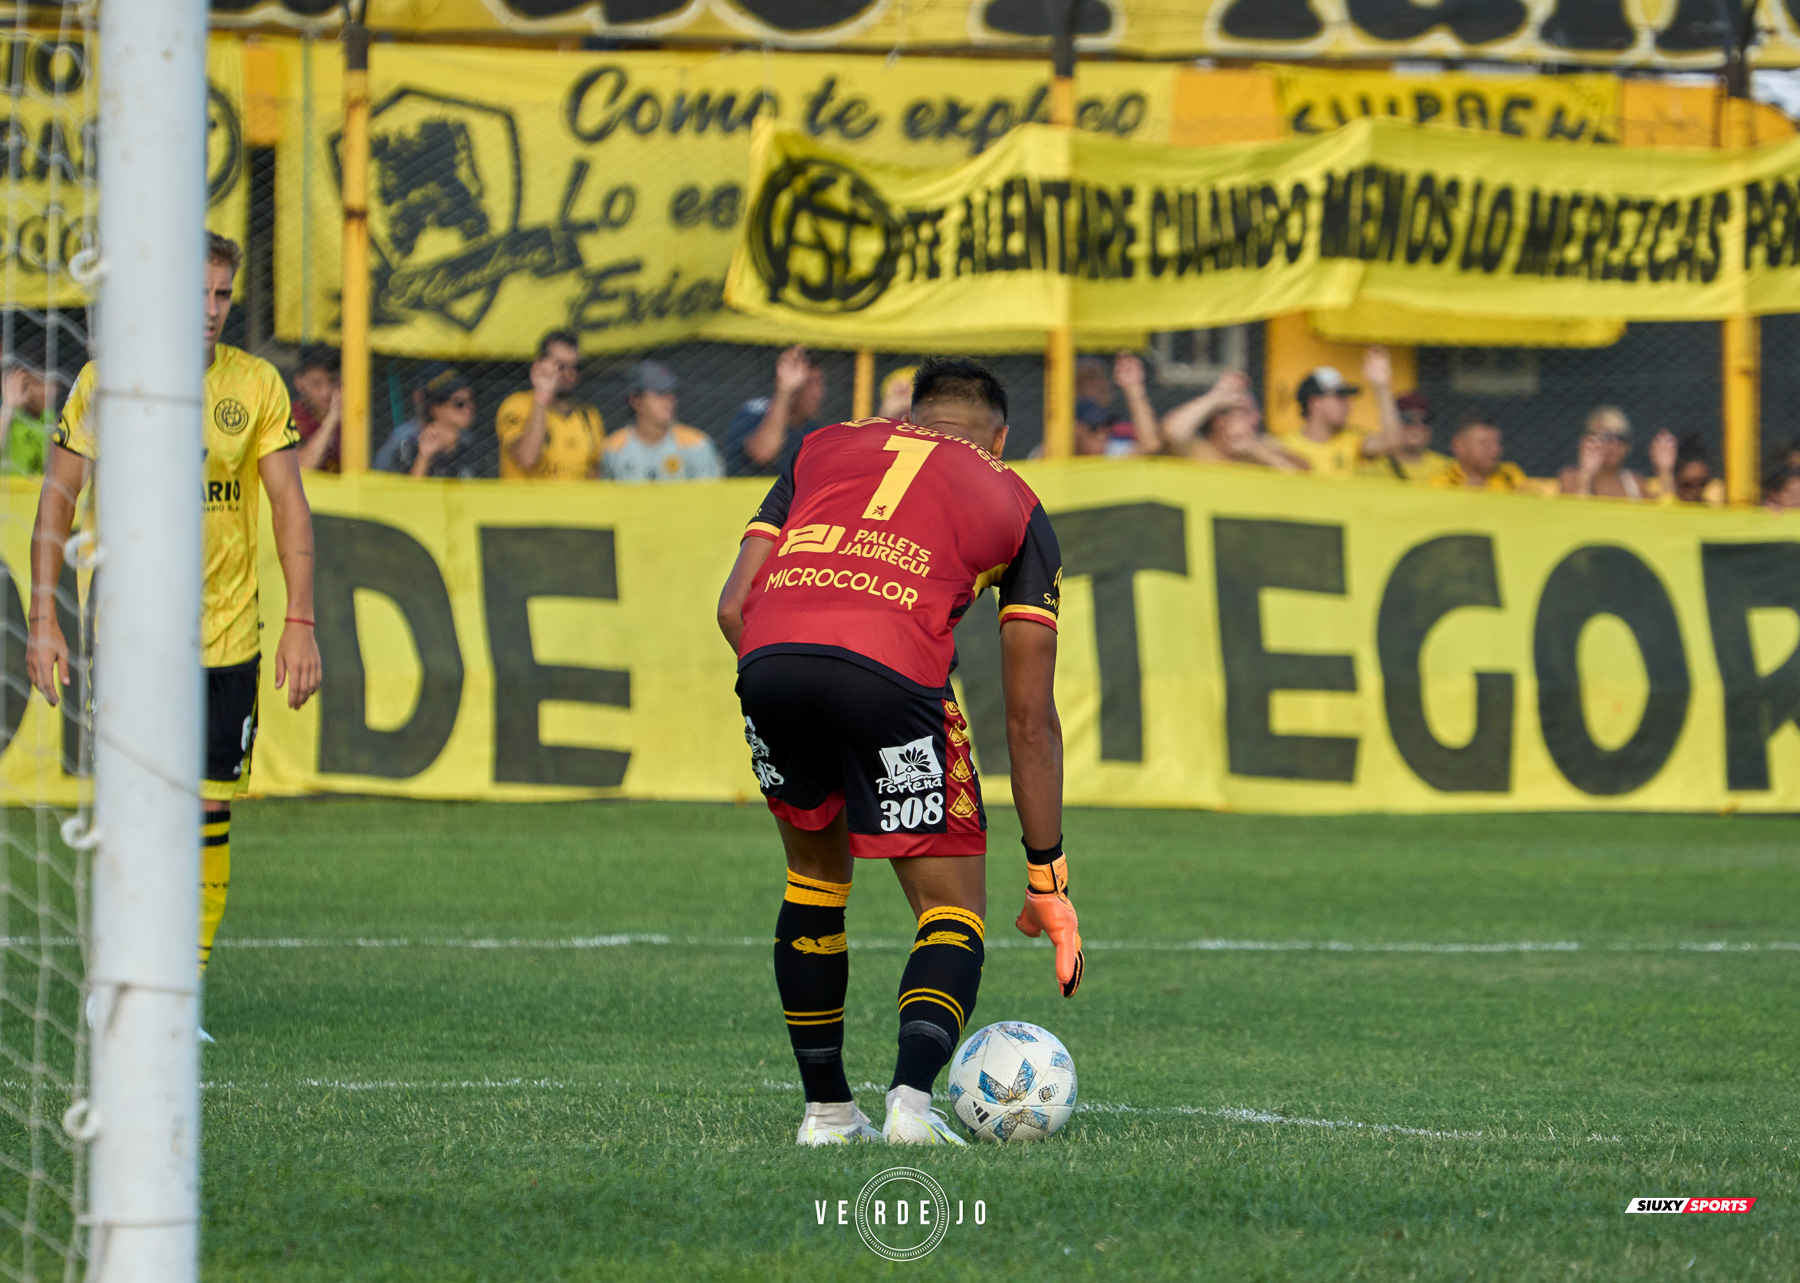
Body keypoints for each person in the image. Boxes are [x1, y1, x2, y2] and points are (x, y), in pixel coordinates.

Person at [715, 356, 1083, 1147]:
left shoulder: (821, 446)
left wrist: (808, 692)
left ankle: (826, 1115)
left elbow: (733, 604)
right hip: (893, 679)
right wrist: (1047, 875)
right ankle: (911, 1109)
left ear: (911, 419)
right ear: (1002, 438)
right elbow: (1029, 719)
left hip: (771, 664)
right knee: (950, 909)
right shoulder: (1016, 500)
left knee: (815, 882)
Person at [27, 231, 322, 1004]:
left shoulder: (256, 384)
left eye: (223, 294)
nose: (211, 309)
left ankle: (180, 991)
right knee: (134, 804)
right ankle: (122, 972)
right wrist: (42, 618)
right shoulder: (106, 383)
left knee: (208, 809)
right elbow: (56, 499)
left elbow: (289, 504)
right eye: (196, 293)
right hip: (129, 637)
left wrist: (302, 621)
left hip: (227, 636)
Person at [1277, 347, 1406, 478]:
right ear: (1315, 403)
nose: (1347, 404)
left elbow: (1392, 444)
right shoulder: (1285, 446)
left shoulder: (1353, 440)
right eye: (1340, 397)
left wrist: (1382, 388)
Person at [496, 330, 604, 481]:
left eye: (576, 366)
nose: (569, 373)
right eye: (560, 366)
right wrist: (542, 396)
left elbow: (593, 474)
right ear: (539, 366)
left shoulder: (589, 416)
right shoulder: (517, 405)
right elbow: (527, 458)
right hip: (528, 504)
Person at [601, 360, 722, 483]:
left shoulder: (696, 444)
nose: (670, 399)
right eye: (660, 393)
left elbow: (708, 499)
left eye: (672, 392)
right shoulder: (613, 448)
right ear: (636, 401)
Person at [1160, 370, 1306, 469]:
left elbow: (1303, 477)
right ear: (1220, 421)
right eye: (1246, 413)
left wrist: (1255, 452)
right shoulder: (1196, 449)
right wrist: (1216, 397)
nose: (1256, 418)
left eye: (1255, 412)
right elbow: (1172, 432)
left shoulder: (1265, 445)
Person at [721, 344, 827, 477]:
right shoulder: (755, 412)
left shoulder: (811, 427)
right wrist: (784, 390)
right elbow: (763, 454)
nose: (820, 392)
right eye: (811, 383)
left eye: (820, 382)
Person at [392, 371, 494, 479]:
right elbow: (405, 494)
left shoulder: (470, 450)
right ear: (436, 410)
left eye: (472, 400)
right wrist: (423, 458)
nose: (469, 407)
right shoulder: (410, 447)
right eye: (459, 403)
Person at [1074, 353, 1159, 456]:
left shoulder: (1117, 432)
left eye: (1106, 425)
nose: (1102, 433)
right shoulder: (1060, 439)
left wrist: (1133, 388)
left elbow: (1150, 445)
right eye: (1091, 378)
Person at [1560, 405, 1646, 499]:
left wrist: (1663, 471)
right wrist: (1586, 477)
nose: (1614, 444)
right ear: (1587, 441)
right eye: (1605, 437)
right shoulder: (1570, 478)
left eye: (1621, 437)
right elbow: (1576, 511)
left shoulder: (1635, 483)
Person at [1365, 390, 1450, 482]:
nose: (1417, 426)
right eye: (1408, 419)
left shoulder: (1447, 468)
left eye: (1426, 420)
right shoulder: (1368, 462)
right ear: (1393, 423)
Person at [1431, 415, 1529, 491]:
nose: (1496, 449)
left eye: (1497, 442)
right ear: (1459, 446)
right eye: (1485, 443)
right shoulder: (1441, 484)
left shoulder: (1510, 476)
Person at [0, 353, 54, 477]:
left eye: (50, 383)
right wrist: (8, 407)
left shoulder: (50, 419)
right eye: (38, 383)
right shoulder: (7, 416)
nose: (46, 390)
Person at [291, 344, 342, 473]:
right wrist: (331, 421)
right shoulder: (290, 417)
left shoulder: (350, 415)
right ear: (299, 383)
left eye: (332, 381)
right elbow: (303, 466)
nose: (326, 392)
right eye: (316, 384)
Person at [1648, 431, 1724, 505]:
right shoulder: (1652, 503)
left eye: (1702, 484)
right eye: (1687, 485)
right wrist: (1665, 472)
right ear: (1674, 480)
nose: (1695, 492)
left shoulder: (1710, 510)